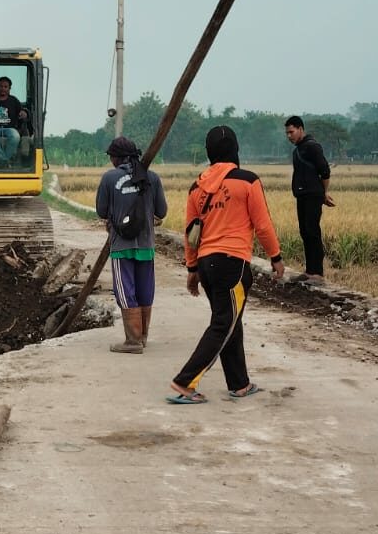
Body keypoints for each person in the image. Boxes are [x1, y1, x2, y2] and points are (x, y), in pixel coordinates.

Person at [166, 125, 284, 404]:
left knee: (231, 320)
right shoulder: (247, 181)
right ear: (235, 149)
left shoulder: (197, 188)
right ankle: (185, 382)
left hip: (207, 264)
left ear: (209, 152)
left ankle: (240, 384)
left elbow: (190, 232)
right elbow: (263, 225)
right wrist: (275, 257)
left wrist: (192, 269)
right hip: (233, 264)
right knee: (223, 323)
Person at [95, 135, 168, 354]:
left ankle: (133, 341)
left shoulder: (109, 179)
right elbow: (161, 211)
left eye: (111, 157)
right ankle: (143, 336)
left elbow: (101, 210)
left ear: (117, 158)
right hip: (146, 243)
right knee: (145, 288)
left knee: (125, 290)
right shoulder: (152, 178)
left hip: (121, 244)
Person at [284, 115, 335, 282]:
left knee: (313, 231)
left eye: (291, 132)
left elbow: (325, 171)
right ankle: (309, 271)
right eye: (287, 133)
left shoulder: (312, 147)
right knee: (305, 231)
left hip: (313, 195)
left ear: (300, 129)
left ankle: (317, 273)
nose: (289, 136)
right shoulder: (298, 150)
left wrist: (323, 193)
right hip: (302, 196)